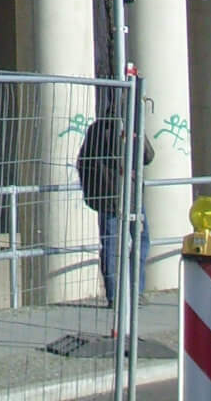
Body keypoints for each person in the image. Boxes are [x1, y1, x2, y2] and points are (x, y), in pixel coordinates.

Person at [77, 106, 154, 306]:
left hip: (105, 197)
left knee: (109, 245)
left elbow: (82, 162)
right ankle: (135, 290)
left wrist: (92, 189)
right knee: (141, 240)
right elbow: (148, 156)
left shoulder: (95, 130)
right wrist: (138, 135)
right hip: (130, 196)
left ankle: (112, 296)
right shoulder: (130, 129)